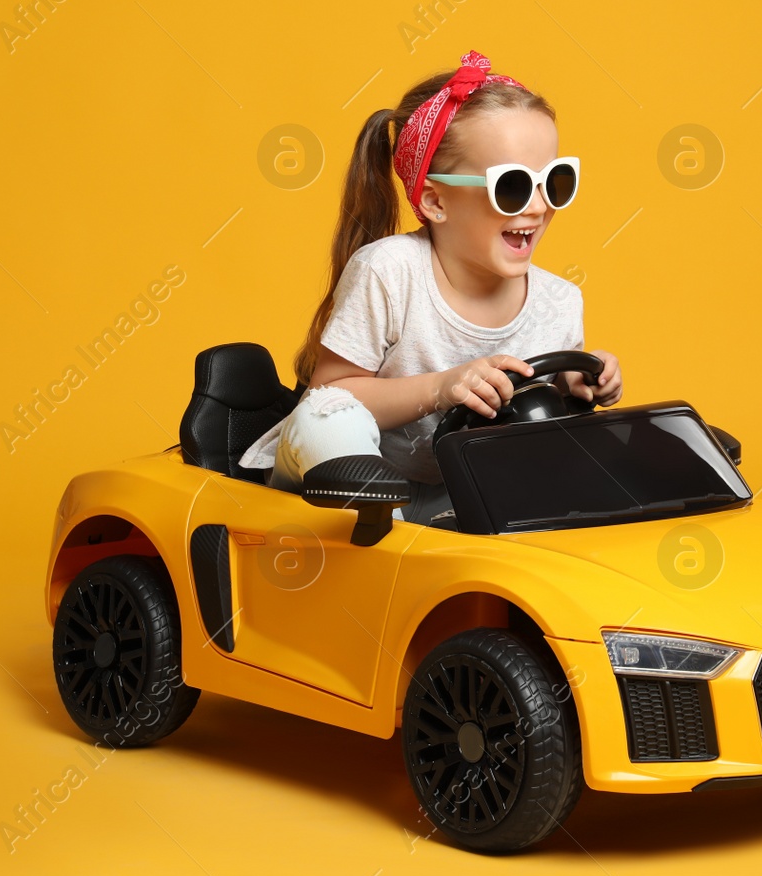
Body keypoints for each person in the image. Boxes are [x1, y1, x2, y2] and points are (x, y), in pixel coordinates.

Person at [238, 49, 623, 523]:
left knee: (568, 459)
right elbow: (331, 391)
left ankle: (432, 547)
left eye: (555, 182)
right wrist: (442, 387)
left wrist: (579, 382)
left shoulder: (560, 300)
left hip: (459, 494)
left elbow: (546, 414)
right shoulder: (390, 270)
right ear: (435, 200)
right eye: (512, 188)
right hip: (330, 478)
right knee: (327, 418)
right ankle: (383, 530)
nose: (540, 207)